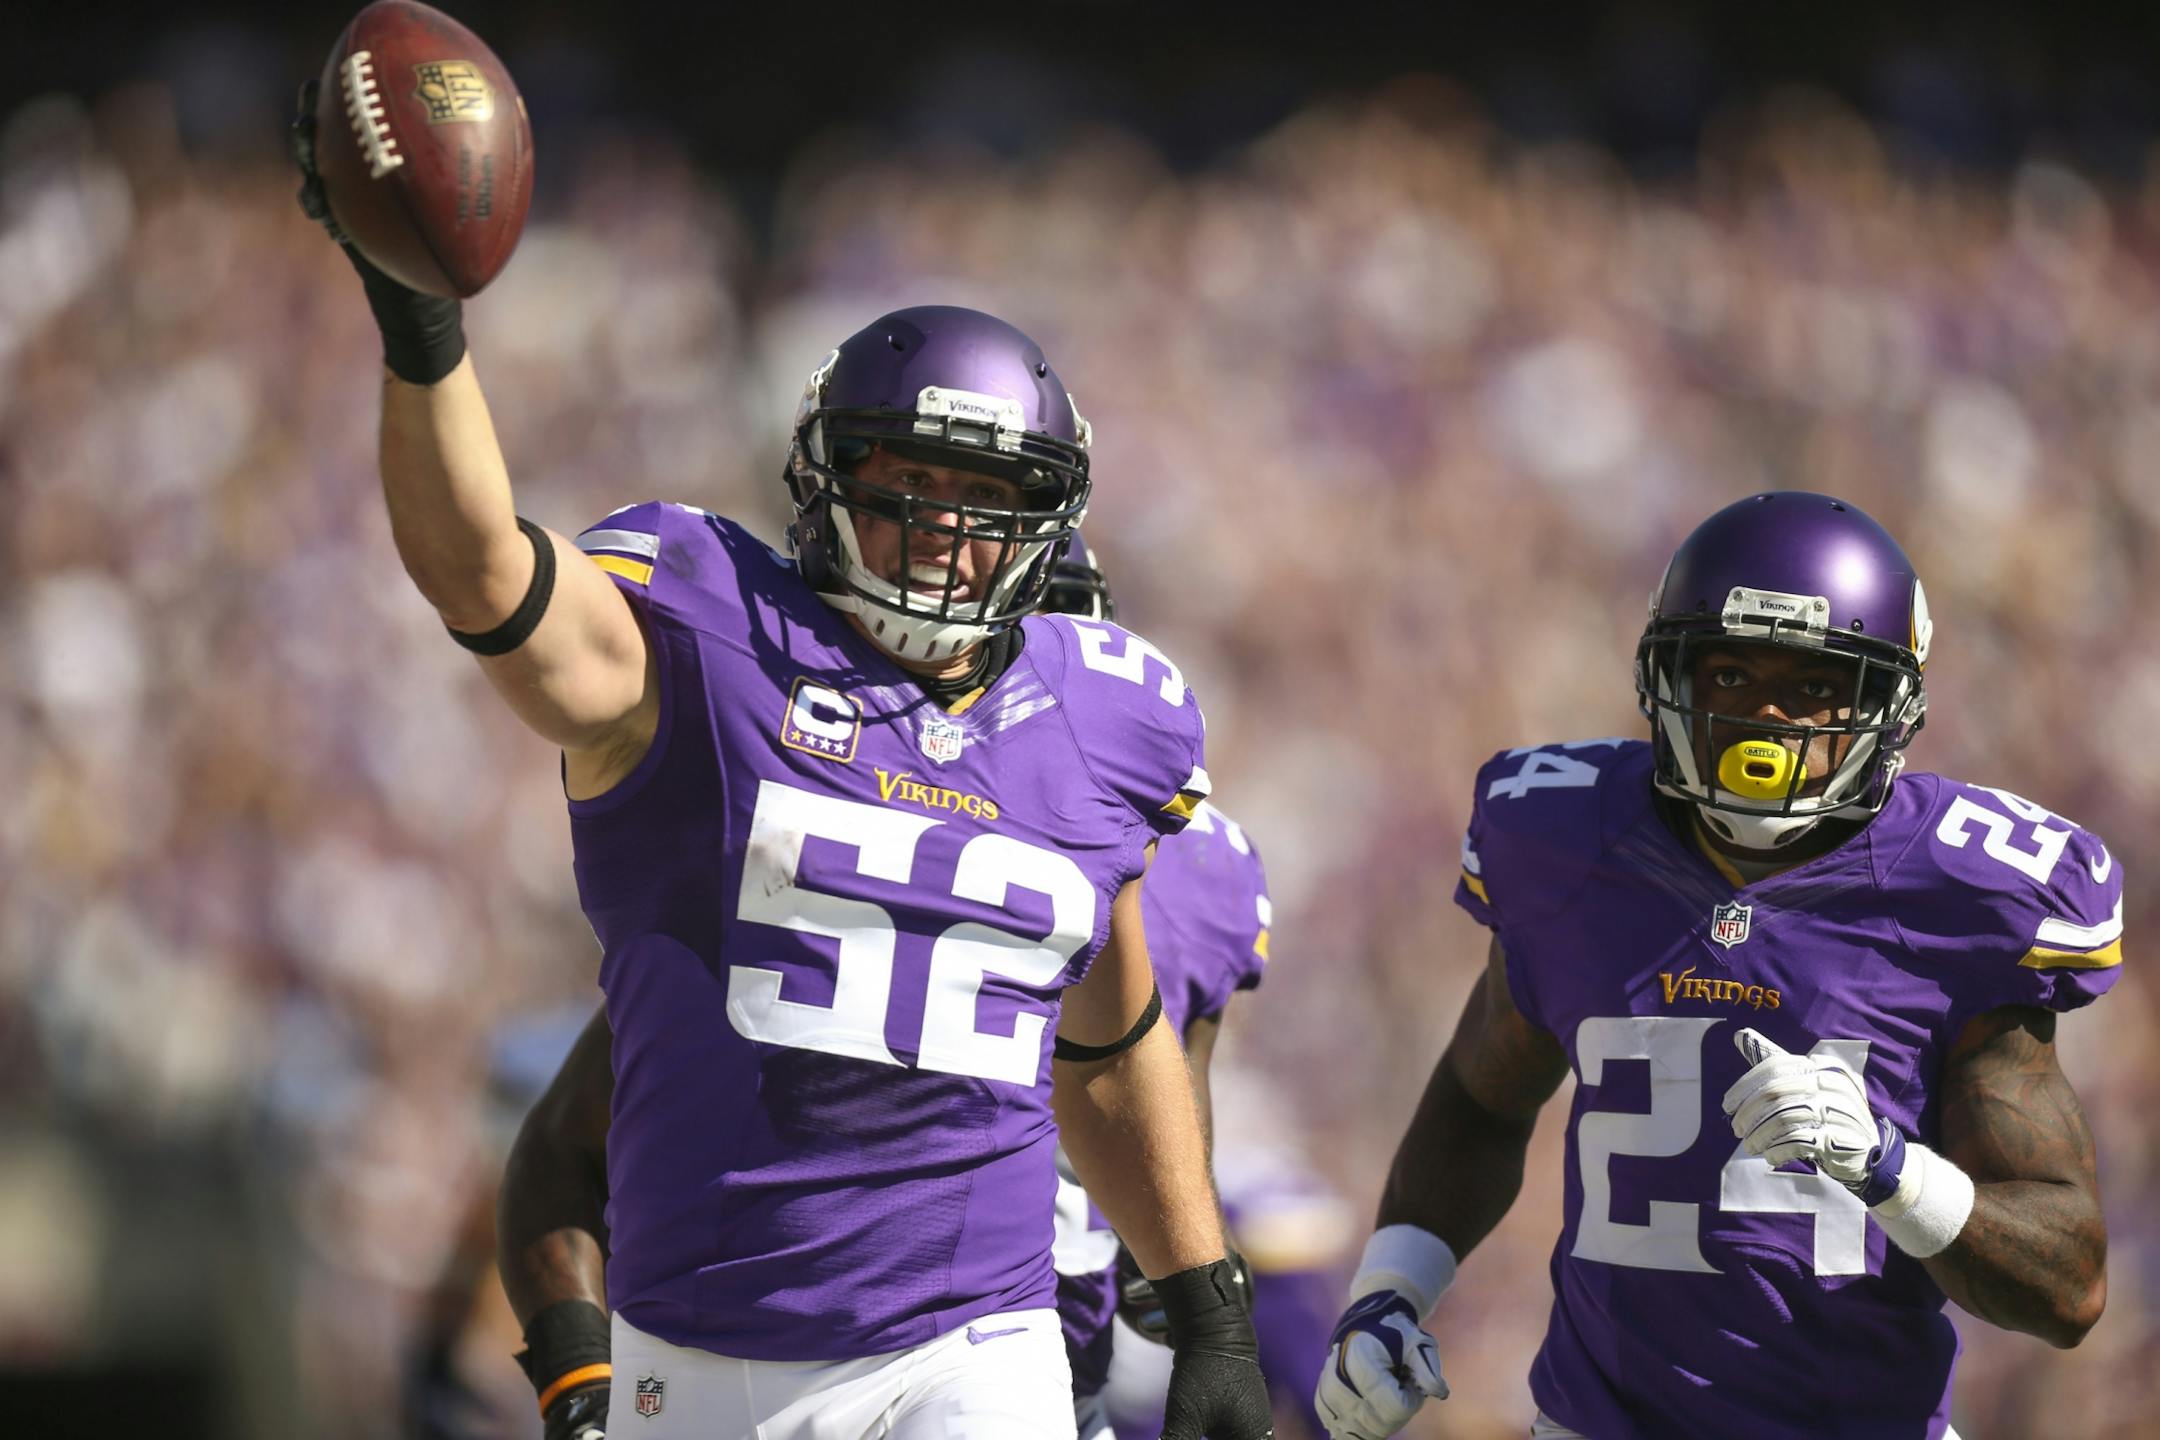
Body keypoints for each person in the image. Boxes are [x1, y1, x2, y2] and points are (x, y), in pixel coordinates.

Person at [290, 94, 1271, 1440]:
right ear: (825, 477)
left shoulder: (1110, 713)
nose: (946, 532)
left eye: (990, 501)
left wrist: (1207, 1303)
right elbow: (480, 571)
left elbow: (1107, 1046)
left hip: (970, 1344)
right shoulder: (710, 628)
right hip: (697, 1356)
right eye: (908, 479)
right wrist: (423, 329)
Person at [1314, 492, 2121, 1440]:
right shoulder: (1570, 840)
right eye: (1730, 673)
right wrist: (1390, 1289)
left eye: (1815, 686)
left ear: (1886, 705)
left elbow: (2069, 1286)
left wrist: (1894, 1173)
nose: (1766, 721)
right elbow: (1482, 1095)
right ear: (1670, 676)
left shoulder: (1966, 895)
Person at [494, 539, 1279, 1440]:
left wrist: (1192, 1285)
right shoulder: (822, 881)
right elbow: (563, 1150)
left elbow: (1165, 1097)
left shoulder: (1197, 869)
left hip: (1036, 1379)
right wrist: (586, 1391)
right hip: (783, 1369)